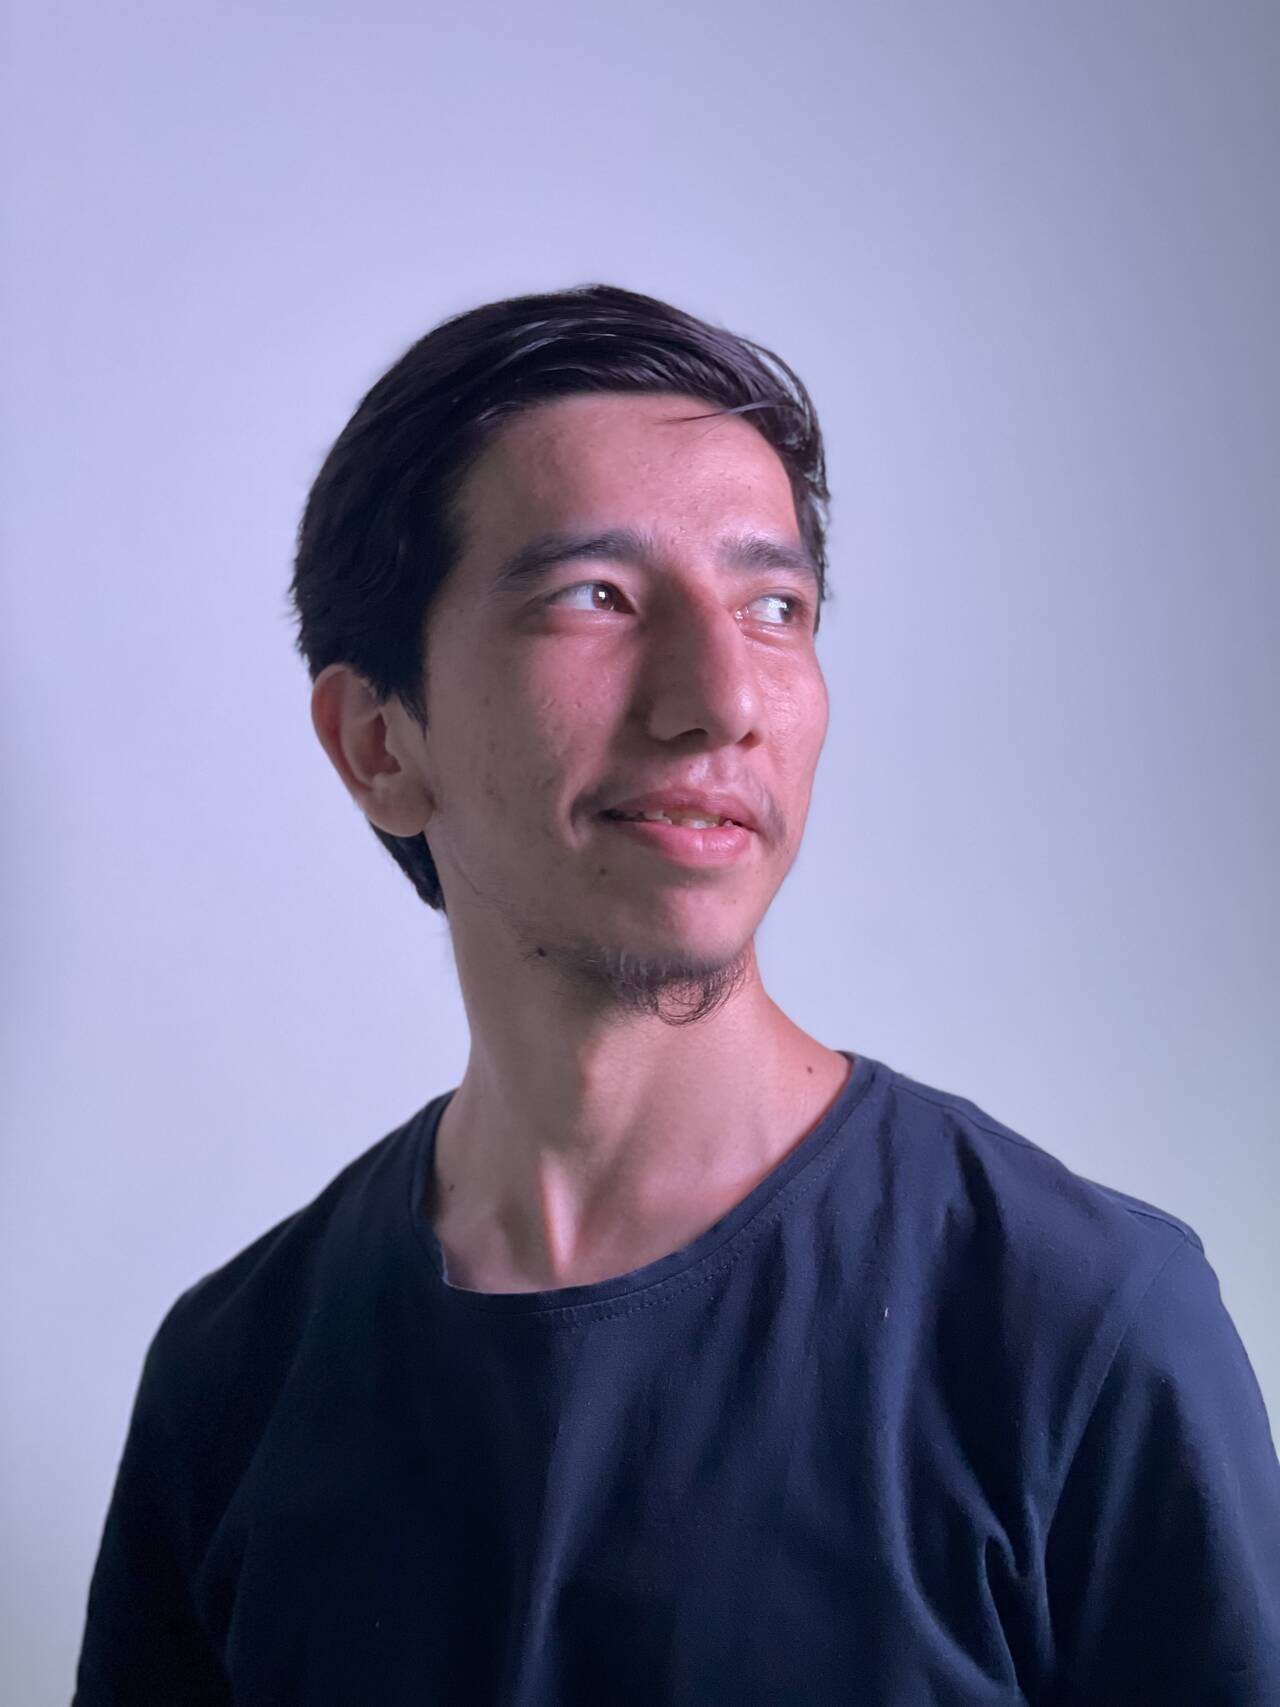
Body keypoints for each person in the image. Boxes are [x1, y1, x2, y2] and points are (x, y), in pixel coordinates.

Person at [74, 284, 1280, 1705]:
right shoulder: (234, 1378)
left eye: (774, 608)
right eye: (594, 596)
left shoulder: (1083, 1328)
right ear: (379, 744)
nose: (722, 698)